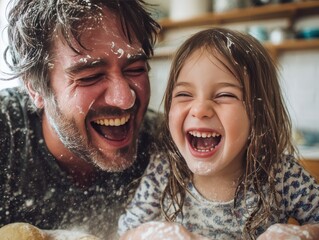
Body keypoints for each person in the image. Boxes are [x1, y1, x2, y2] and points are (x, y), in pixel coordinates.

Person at [118, 27, 319, 240]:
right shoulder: (164, 170)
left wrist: (304, 234)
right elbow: (125, 233)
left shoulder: (281, 175)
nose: (199, 109)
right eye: (184, 94)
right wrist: (149, 234)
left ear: (259, 114)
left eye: (225, 95)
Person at [0, 0, 163, 238]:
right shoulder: (6, 136)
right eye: (91, 77)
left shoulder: (167, 146)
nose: (124, 99)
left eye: (135, 69)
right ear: (35, 88)